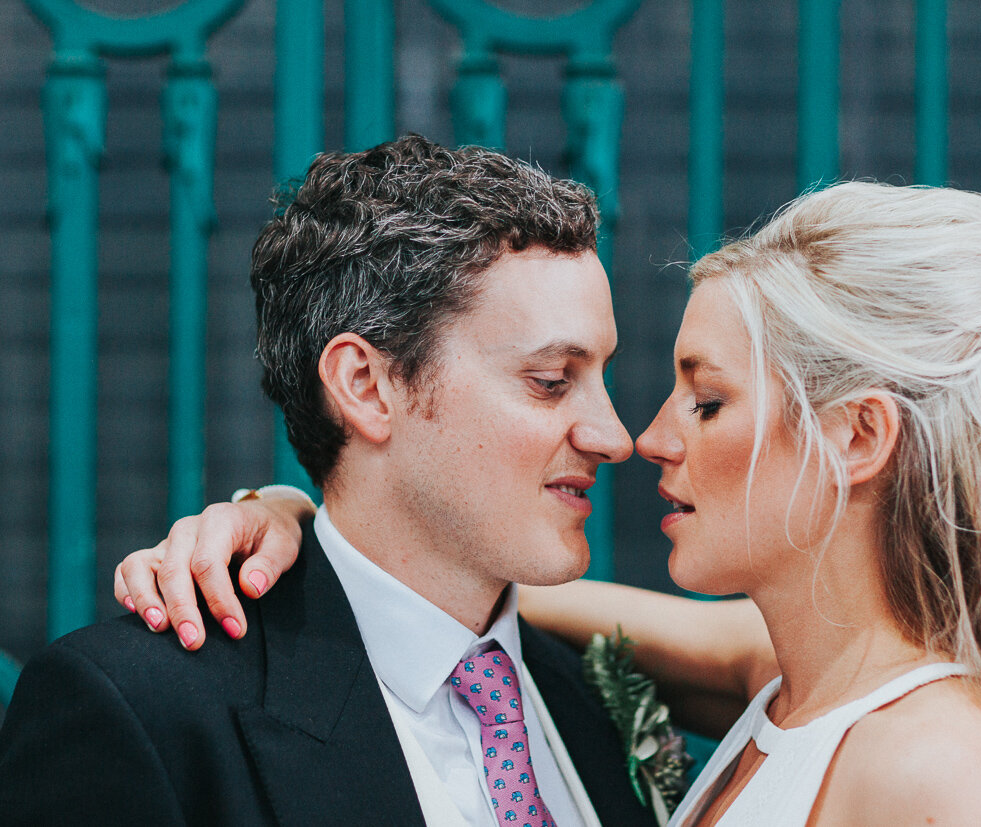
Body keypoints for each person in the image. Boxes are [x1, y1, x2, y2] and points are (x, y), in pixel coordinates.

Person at [112, 183, 981, 825]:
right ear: (370, 385)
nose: (642, 435)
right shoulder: (782, 688)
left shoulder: (942, 767)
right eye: (551, 379)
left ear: (859, 436)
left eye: (707, 398)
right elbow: (461, 617)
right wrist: (308, 525)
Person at [0, 134, 661, 827]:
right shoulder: (142, 712)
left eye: (602, 377)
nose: (614, 436)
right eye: (551, 381)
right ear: (367, 387)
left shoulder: (591, 702)